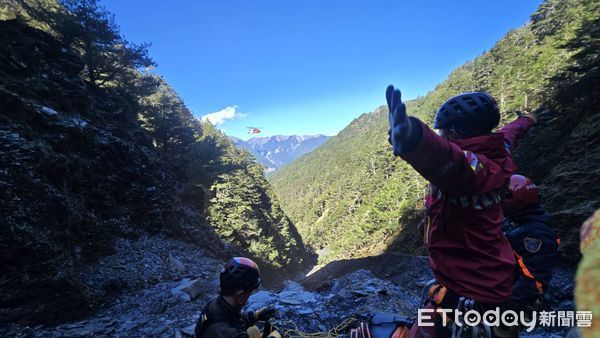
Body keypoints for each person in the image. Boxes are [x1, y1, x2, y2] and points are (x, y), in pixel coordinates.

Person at [385, 85, 549, 337]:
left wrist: (413, 137)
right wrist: (528, 119)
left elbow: (445, 157)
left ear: (455, 132)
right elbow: (510, 133)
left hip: (473, 289)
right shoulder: (497, 148)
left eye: (443, 131)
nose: (441, 134)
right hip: (482, 277)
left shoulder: (474, 170)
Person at [494, 175, 558, 338]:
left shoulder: (534, 233)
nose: (499, 201)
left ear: (516, 199)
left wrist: (509, 304)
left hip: (518, 302)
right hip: (507, 291)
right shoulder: (523, 222)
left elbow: (535, 277)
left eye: (503, 196)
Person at [194, 257, 280, 338]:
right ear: (240, 293)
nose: (249, 296)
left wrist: (255, 316)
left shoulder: (217, 303)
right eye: (249, 292)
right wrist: (276, 335)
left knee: (253, 330)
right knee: (254, 331)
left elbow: (233, 318)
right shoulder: (226, 332)